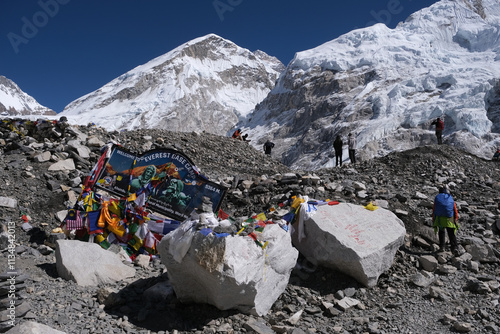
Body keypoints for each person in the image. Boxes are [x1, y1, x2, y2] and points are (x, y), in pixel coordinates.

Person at [432, 186, 459, 254]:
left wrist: (434, 218)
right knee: (451, 233)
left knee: (441, 232)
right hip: (449, 218)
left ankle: (442, 247)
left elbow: (434, 209)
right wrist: (456, 218)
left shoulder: (438, 197)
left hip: (440, 218)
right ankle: (454, 248)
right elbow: (454, 208)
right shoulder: (449, 197)